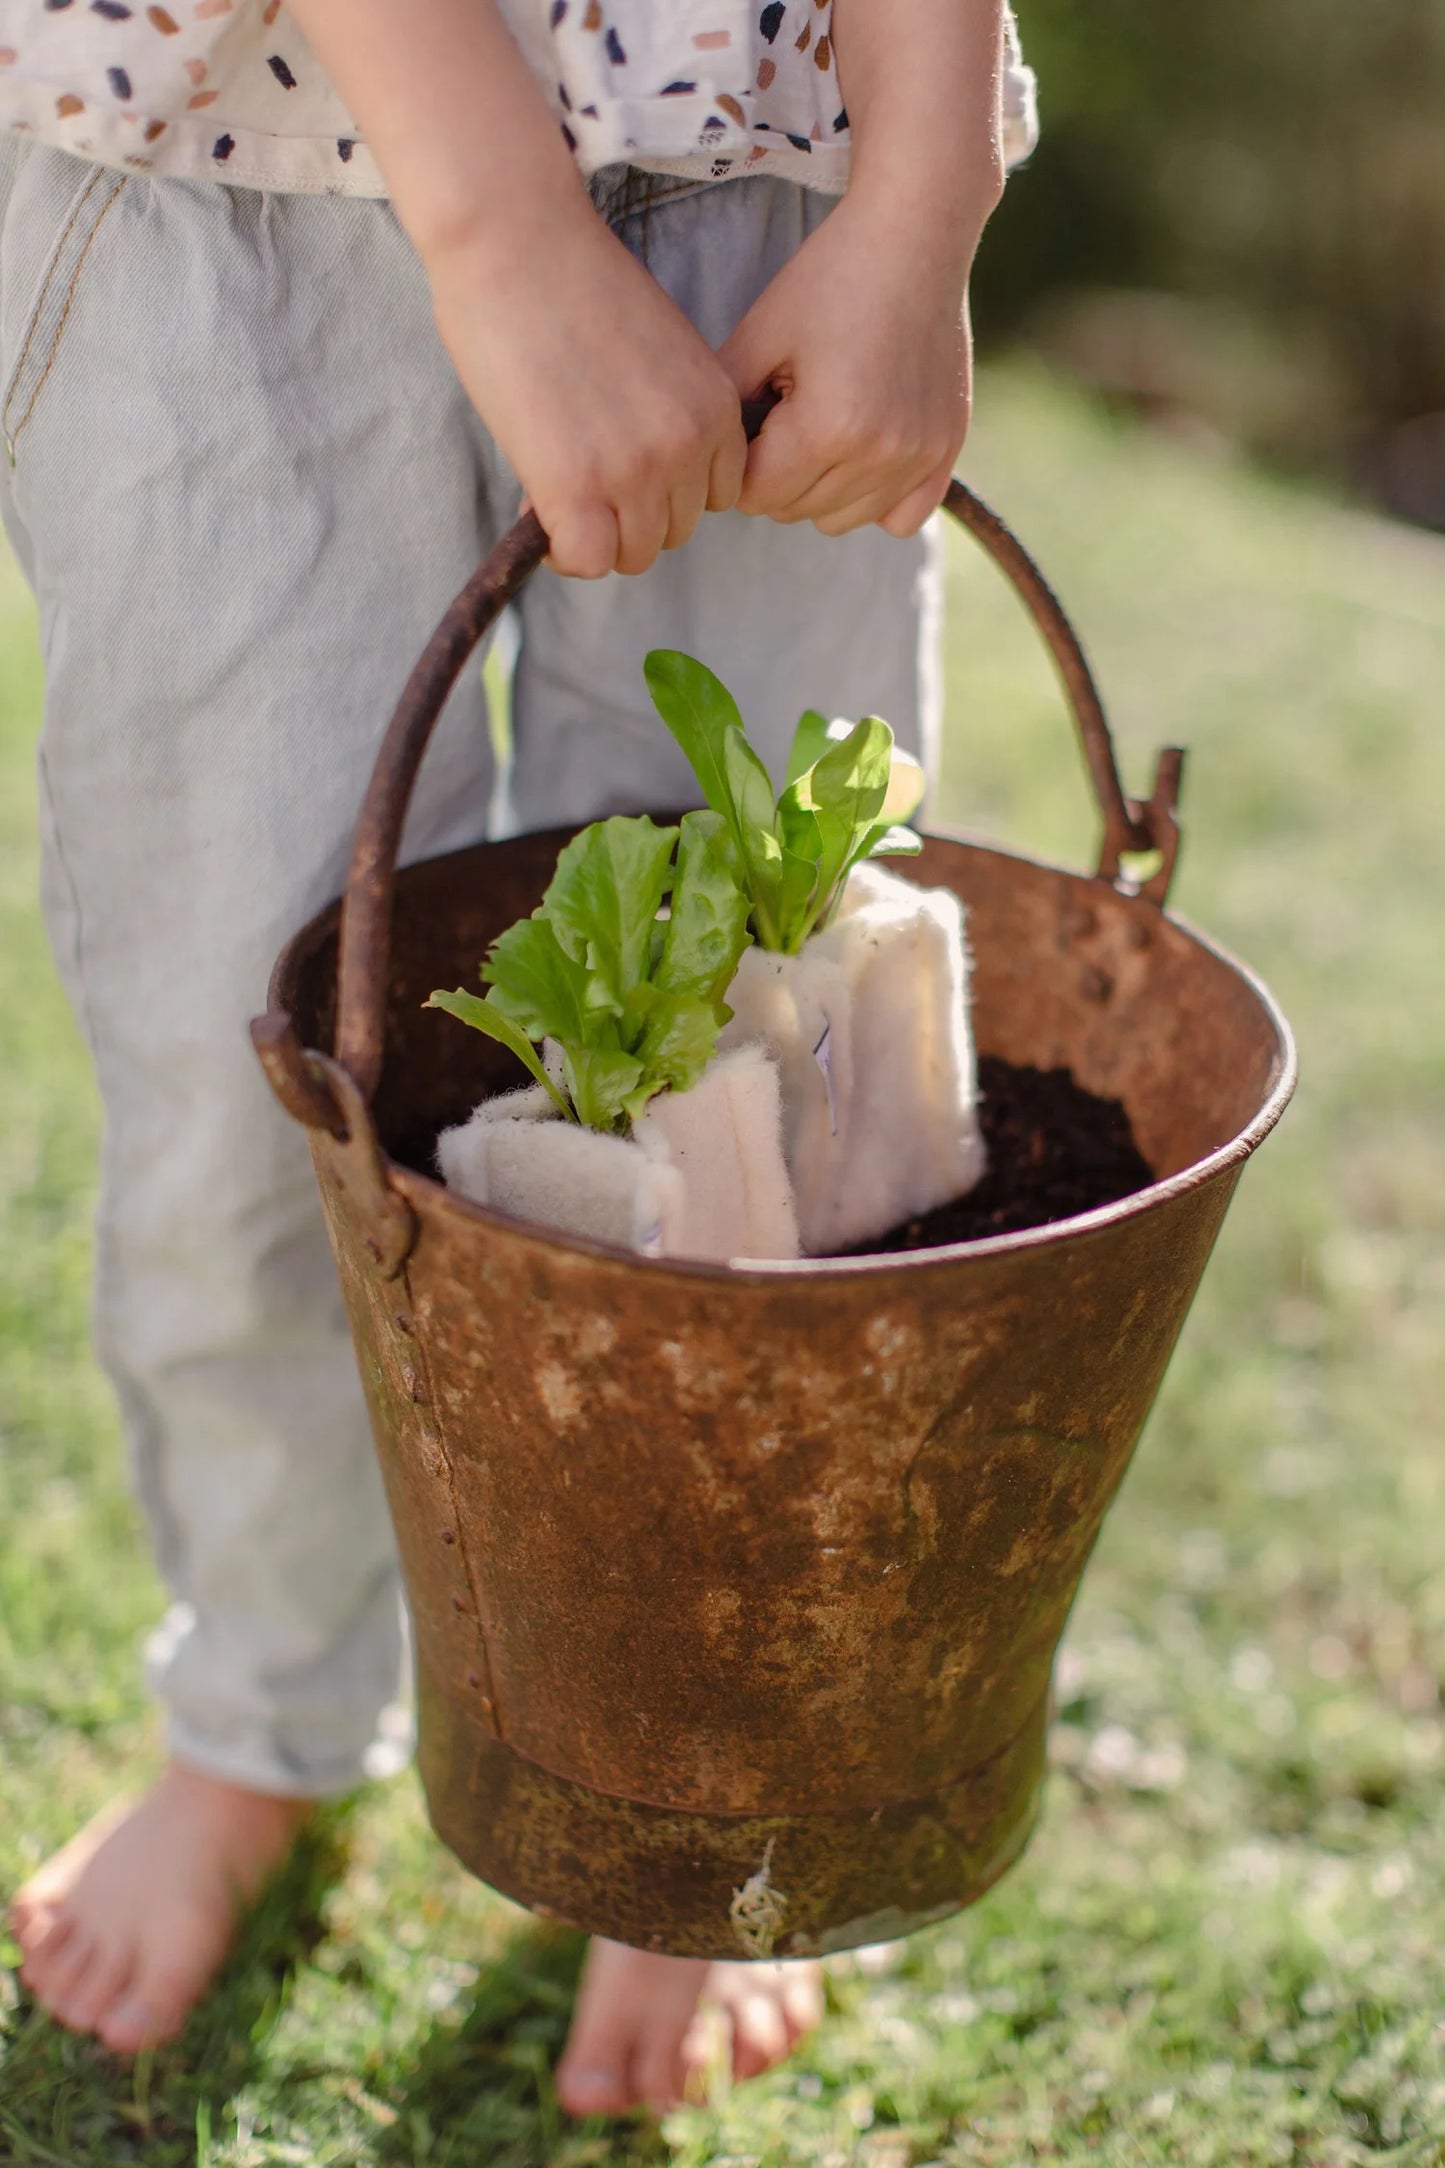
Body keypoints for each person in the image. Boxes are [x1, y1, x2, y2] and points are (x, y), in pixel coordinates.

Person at [0, 0, 1035, 2117]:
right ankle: (263, 1723)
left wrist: (923, 197)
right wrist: (496, 224)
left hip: (776, 136)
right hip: (247, 156)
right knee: (255, 1060)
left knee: (761, 1050)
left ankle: (680, 1777)